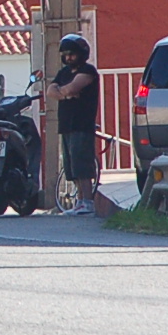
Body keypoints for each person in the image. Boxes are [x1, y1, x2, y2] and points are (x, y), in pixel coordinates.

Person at [51, 34, 100, 213]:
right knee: (71, 167)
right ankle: (79, 201)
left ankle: (87, 201)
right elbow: (50, 91)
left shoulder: (88, 71)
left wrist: (64, 91)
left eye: (72, 54)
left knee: (82, 165)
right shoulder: (63, 73)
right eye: (65, 54)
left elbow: (74, 87)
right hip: (66, 125)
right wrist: (66, 94)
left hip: (82, 124)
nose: (68, 58)